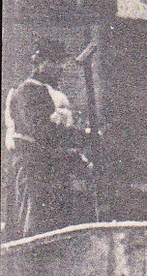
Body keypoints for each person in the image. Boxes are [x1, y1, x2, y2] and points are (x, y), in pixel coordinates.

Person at [3, 39, 85, 240]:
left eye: (62, 63)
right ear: (39, 62)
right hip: (34, 170)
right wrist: (80, 138)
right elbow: (44, 132)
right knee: (35, 228)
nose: (61, 68)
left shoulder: (48, 92)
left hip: (50, 170)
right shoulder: (28, 91)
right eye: (54, 62)